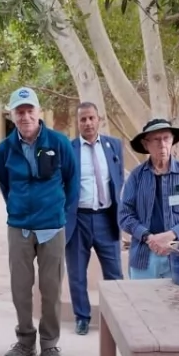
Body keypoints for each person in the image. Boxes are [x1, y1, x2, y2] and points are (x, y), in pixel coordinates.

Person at [0, 87, 78, 356]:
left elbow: (72, 182)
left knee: (51, 288)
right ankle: (25, 341)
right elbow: (5, 184)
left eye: (30, 110)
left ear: (39, 112)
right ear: (13, 116)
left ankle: (50, 344)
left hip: (52, 227)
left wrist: (59, 215)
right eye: (20, 111)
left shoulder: (59, 142)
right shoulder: (5, 148)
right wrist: (17, 210)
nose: (26, 116)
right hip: (19, 227)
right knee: (20, 288)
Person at [118, 118, 179, 279]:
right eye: (156, 139)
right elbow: (125, 215)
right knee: (143, 302)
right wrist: (150, 238)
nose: (162, 144)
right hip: (145, 255)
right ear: (146, 144)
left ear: (172, 140)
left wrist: (172, 234)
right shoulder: (136, 177)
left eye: (166, 138)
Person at [66, 102, 125, 335]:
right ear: (77, 123)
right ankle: (82, 317)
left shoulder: (114, 146)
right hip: (78, 219)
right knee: (77, 273)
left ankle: (117, 315)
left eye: (91, 118)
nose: (88, 123)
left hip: (106, 218)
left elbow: (117, 179)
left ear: (99, 119)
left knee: (114, 273)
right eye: (83, 119)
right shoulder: (69, 149)